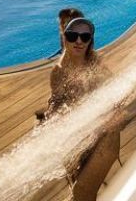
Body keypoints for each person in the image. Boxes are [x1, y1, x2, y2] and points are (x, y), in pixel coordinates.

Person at [46, 15, 120, 201]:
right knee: (82, 193)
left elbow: (118, 94)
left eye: (85, 37)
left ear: (90, 41)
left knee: (81, 192)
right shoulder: (58, 72)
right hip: (76, 138)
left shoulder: (96, 67)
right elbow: (58, 104)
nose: (78, 41)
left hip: (105, 136)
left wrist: (115, 114)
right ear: (65, 38)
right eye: (73, 36)